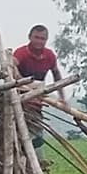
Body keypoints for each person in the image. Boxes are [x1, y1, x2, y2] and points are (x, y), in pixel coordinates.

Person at [12, 25, 66, 162]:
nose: (39, 41)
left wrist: (62, 97)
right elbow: (12, 70)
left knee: (36, 133)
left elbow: (56, 73)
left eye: (43, 39)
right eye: (36, 37)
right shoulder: (21, 53)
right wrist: (23, 84)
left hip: (37, 101)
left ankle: (36, 162)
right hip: (19, 98)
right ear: (30, 37)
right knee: (16, 131)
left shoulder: (49, 55)